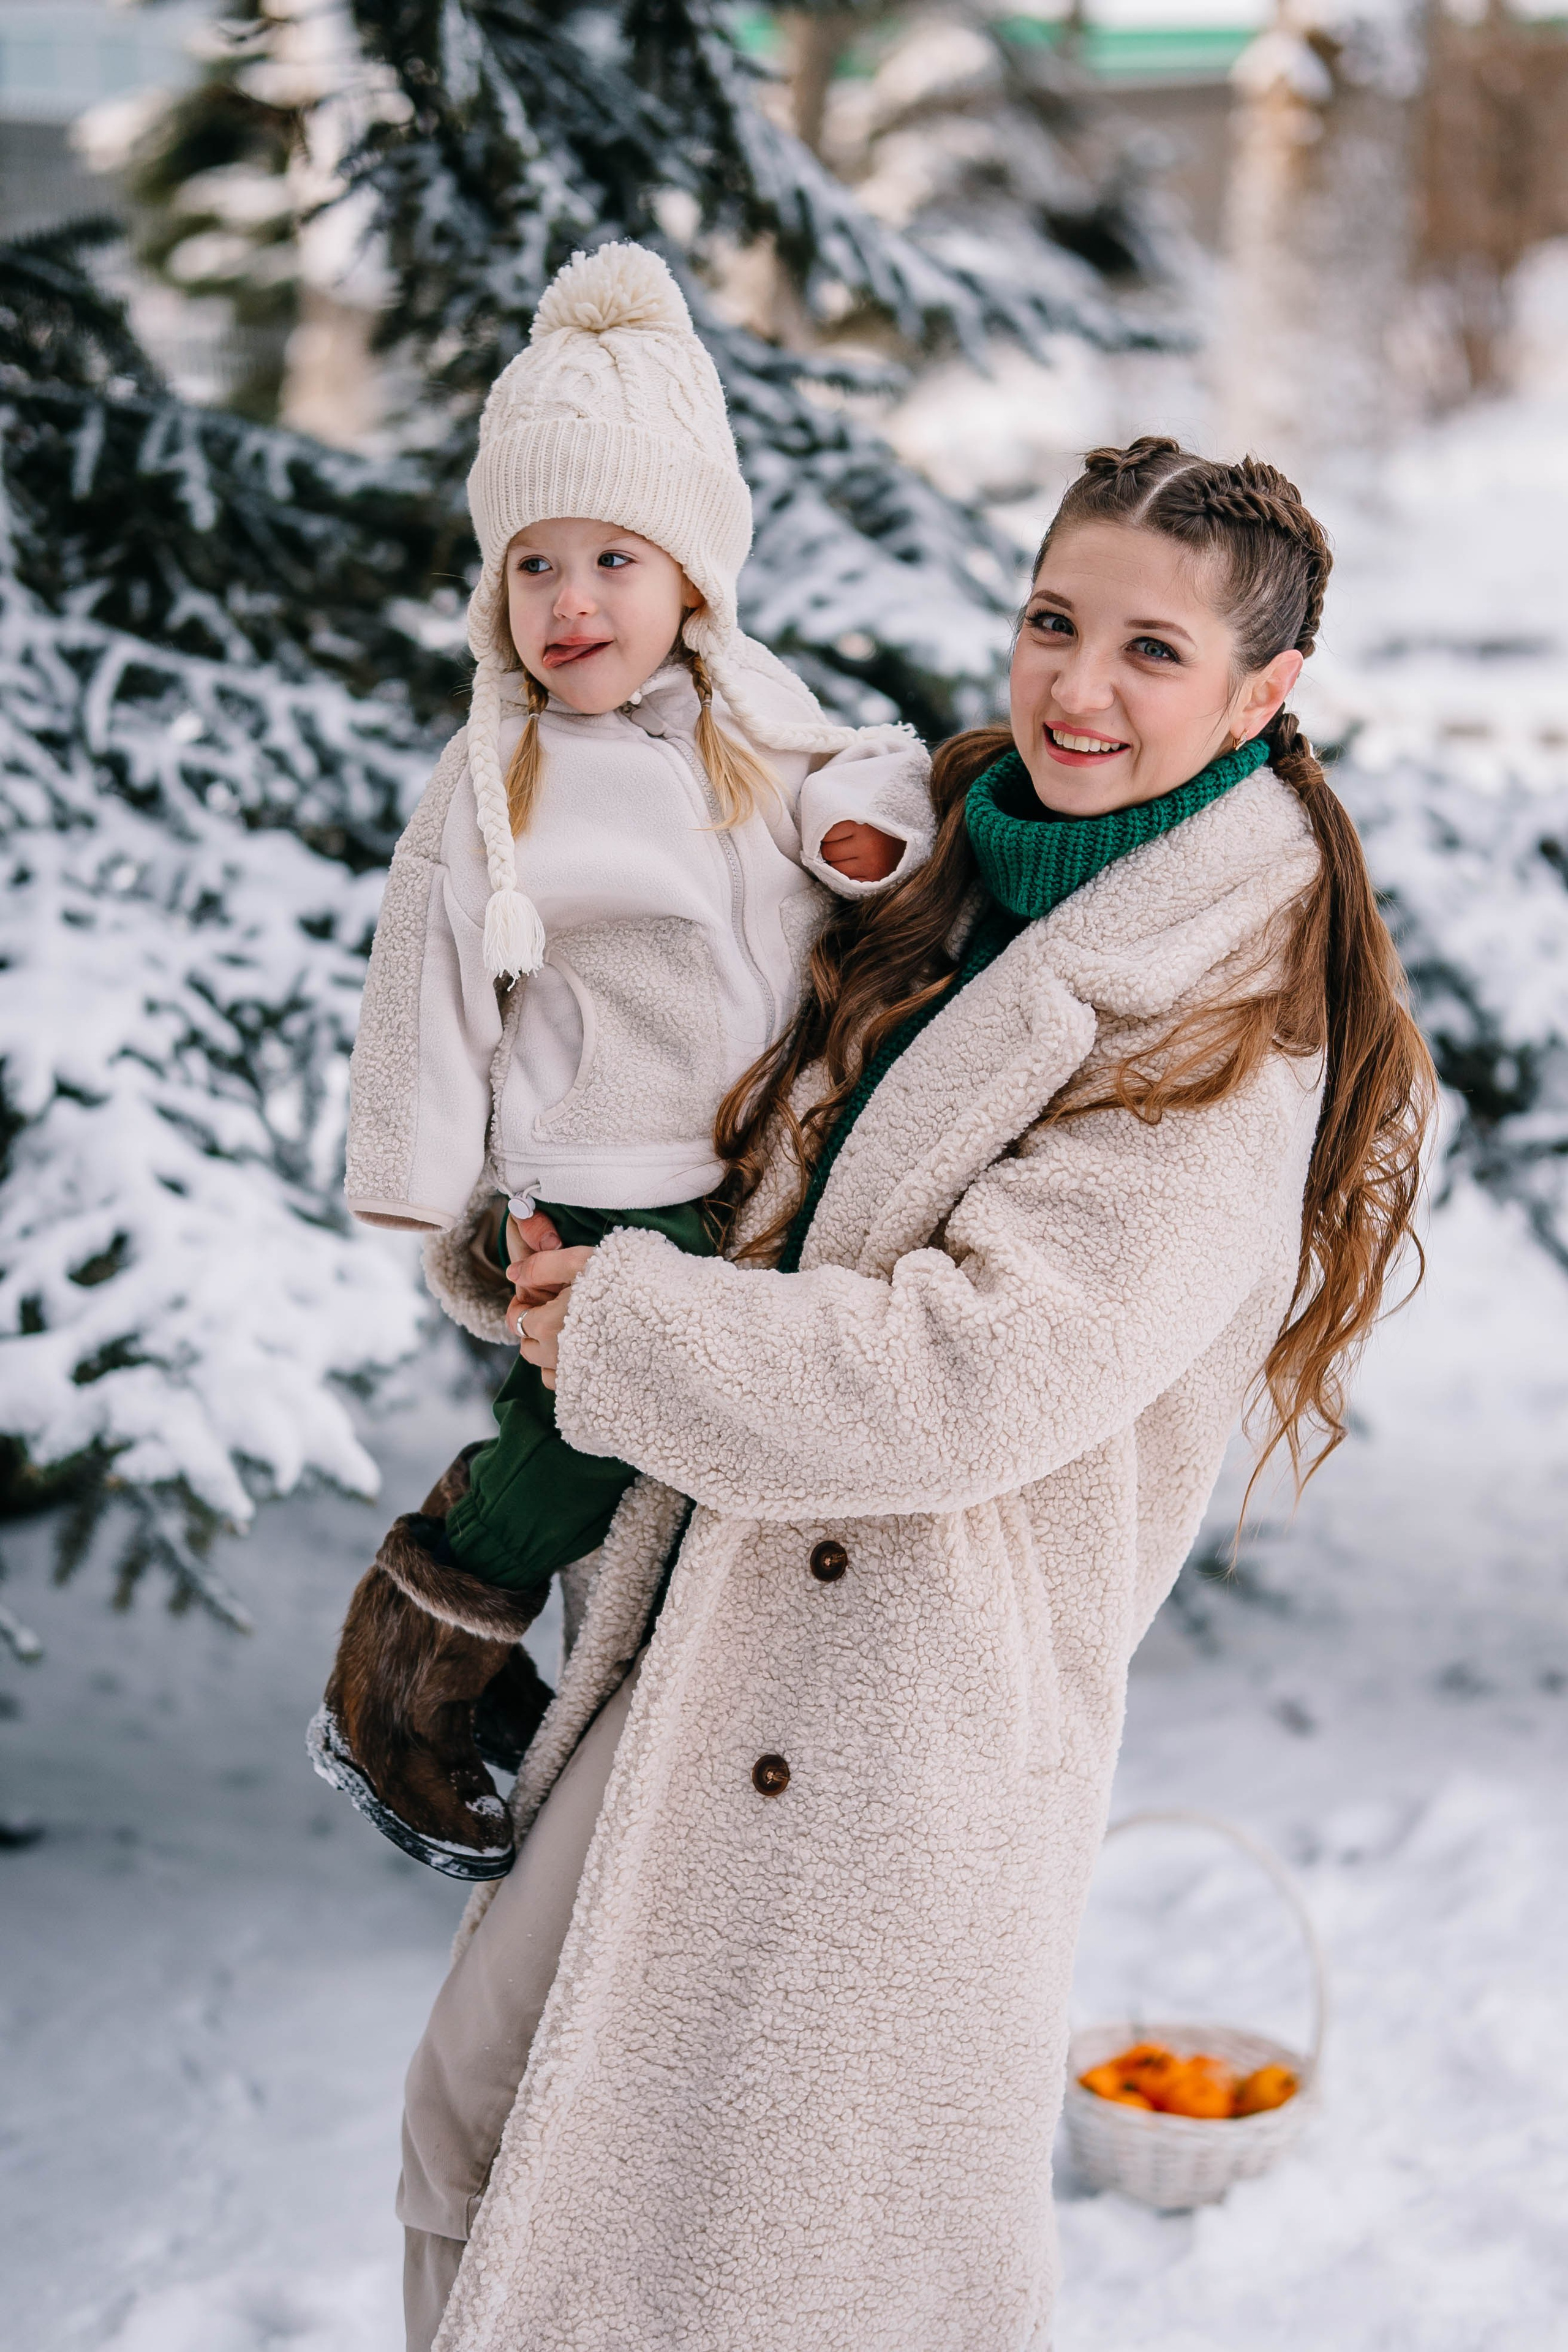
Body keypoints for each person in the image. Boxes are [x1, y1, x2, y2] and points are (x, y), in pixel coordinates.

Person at [393, 438, 1436, 2352]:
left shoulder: (1229, 1019)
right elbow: (699, 1072)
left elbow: (964, 1377)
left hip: (896, 1725)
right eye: (1054, 622)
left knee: (765, 2278)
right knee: (489, 2142)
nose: (1077, 688)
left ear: (1263, 698)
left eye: (1151, 652)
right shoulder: (924, 853)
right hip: (713, 1622)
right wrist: (547, 1227)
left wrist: (609, 1328)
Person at [309, 243, 932, 1878]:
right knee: (599, 1440)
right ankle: (406, 1669)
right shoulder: (501, 774)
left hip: (745, 1160)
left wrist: (871, 835)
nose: (569, 604)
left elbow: (856, 772)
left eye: (611, 559)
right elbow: (427, 971)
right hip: (596, 1170)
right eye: (532, 566)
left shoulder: (747, 705)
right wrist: (415, 1172)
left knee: (671, 1439)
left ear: (692, 580)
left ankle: (528, 1641)